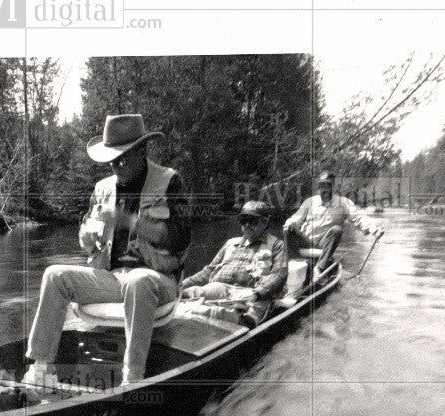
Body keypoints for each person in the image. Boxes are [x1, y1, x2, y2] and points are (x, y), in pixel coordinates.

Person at [22, 113, 191, 387]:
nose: (118, 165)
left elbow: (180, 239)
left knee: (139, 280)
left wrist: (132, 222)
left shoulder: (170, 182)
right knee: (55, 275)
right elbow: (84, 239)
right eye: (112, 159)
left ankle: (132, 379)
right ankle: (41, 370)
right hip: (111, 277)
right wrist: (86, 236)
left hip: (158, 279)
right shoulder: (101, 189)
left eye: (124, 157)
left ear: (143, 150)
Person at [180, 200, 287, 327]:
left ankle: (240, 322)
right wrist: (181, 285)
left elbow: (279, 274)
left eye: (252, 221)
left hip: (251, 292)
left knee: (249, 315)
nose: (247, 225)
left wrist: (257, 292)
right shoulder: (231, 243)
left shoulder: (276, 245)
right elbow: (208, 271)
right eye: (243, 221)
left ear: (264, 222)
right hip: (220, 287)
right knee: (192, 293)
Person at [283, 171, 383, 277]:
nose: (324, 189)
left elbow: (358, 217)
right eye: (321, 186)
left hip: (324, 243)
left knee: (337, 230)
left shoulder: (343, 203)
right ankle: (293, 266)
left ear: (333, 186)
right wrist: (289, 224)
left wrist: (374, 230)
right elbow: (296, 219)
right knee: (289, 229)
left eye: (327, 186)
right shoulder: (310, 202)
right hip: (306, 241)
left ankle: (319, 268)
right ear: (318, 187)